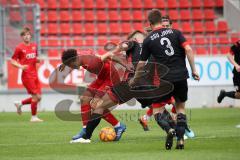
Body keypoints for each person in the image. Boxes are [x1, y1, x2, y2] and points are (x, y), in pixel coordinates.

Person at [129, 9, 199, 149]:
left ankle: (169, 130)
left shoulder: (148, 39)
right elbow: (189, 50)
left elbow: (142, 63)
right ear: (162, 20)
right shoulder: (176, 33)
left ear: (150, 23)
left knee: (157, 111)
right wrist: (194, 70)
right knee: (180, 109)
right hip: (181, 76)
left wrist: (135, 79)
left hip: (163, 79)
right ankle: (180, 140)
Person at [59, 48, 132, 142]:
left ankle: (118, 126)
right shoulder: (78, 56)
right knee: (84, 98)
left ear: (74, 60)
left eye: (70, 65)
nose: (71, 67)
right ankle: (85, 129)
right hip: (102, 77)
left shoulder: (91, 62)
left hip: (110, 77)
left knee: (97, 105)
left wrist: (125, 65)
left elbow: (109, 54)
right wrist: (65, 63)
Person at [11, 27, 43, 122]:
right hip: (27, 76)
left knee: (39, 97)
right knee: (35, 97)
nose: (26, 37)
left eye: (28, 35)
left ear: (30, 36)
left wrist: (37, 59)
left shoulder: (34, 46)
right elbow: (12, 61)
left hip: (35, 75)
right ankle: (33, 117)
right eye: (24, 35)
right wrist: (20, 66)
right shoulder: (19, 48)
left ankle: (20, 103)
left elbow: (35, 58)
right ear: (22, 37)